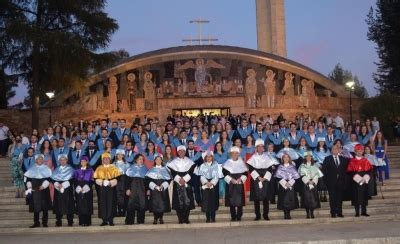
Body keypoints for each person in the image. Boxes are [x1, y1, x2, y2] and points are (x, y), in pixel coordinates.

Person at [246, 139, 275, 221]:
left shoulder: (267, 157)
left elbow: (270, 169)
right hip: (256, 179)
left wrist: (264, 178)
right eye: (259, 147)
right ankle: (257, 215)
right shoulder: (253, 157)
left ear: (264, 148)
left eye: (262, 147)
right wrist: (258, 177)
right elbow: (251, 169)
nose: (260, 148)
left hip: (265, 178)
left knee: (266, 198)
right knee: (256, 198)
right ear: (256, 148)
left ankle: (266, 215)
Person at [167, 145, 196, 224]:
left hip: (187, 182)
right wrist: (179, 179)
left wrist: (185, 179)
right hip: (177, 183)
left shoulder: (189, 161)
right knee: (178, 201)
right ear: (177, 152)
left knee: (187, 201)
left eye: (183, 151)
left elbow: (191, 171)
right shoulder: (174, 162)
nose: (181, 152)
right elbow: (172, 172)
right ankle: (180, 219)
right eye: (180, 151)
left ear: (185, 152)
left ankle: (186, 218)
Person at [24, 154, 52, 228]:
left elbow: (49, 179)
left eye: (41, 159)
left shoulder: (47, 168)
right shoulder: (32, 168)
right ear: (36, 160)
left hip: (44, 189)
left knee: (44, 207)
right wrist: (29, 187)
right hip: (34, 189)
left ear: (43, 160)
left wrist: (43, 186)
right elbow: (28, 179)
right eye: (38, 159)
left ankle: (45, 222)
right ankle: (36, 222)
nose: (40, 160)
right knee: (35, 206)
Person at [93, 152, 121, 226]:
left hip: (111, 188)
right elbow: (95, 178)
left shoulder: (114, 168)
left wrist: (110, 182)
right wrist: (101, 182)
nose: (106, 160)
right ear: (102, 160)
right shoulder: (99, 168)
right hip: (102, 188)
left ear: (110, 160)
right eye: (104, 159)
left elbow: (118, 177)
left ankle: (110, 219)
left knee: (111, 203)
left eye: (107, 159)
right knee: (102, 203)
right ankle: (104, 220)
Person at [347, 144, 373, 217]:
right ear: (355, 152)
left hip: (364, 180)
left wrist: (366, 176)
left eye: (361, 151)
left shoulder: (365, 160)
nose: (359, 152)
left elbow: (369, 170)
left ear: (362, 152)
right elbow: (349, 171)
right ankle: (357, 212)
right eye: (358, 151)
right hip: (355, 181)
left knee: (364, 196)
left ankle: (364, 211)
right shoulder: (352, 161)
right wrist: (357, 177)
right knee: (356, 196)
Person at [222, 146, 248, 222]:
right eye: (233, 153)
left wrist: (241, 179)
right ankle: (233, 216)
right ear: (231, 154)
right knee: (231, 200)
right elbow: (224, 173)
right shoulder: (227, 162)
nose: (235, 155)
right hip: (231, 183)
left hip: (239, 182)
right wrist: (231, 179)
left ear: (238, 154)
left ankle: (239, 215)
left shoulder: (241, 162)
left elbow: (245, 173)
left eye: (236, 153)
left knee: (240, 200)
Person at [322, 145, 348, 218]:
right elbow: (324, 171)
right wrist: (326, 182)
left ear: (339, 150)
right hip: (331, 182)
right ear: (331, 150)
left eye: (337, 149)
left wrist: (345, 182)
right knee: (332, 198)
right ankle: (333, 212)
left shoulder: (343, 159)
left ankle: (339, 212)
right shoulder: (327, 159)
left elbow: (345, 172)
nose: (335, 150)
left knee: (340, 198)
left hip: (341, 182)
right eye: (333, 149)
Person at [146, 155, 171, 224]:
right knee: (154, 204)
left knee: (162, 204)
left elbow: (169, 180)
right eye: (157, 159)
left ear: (162, 161)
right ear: (155, 161)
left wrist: (163, 186)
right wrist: (155, 186)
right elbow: (148, 180)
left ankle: (161, 218)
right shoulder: (151, 170)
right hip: (154, 189)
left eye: (159, 159)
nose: (158, 161)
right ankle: (155, 218)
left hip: (163, 188)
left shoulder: (165, 169)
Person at [50, 154, 75, 227]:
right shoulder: (56, 169)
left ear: (67, 160)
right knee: (58, 204)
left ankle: (70, 221)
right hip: (58, 188)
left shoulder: (71, 169)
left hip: (67, 188)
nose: (63, 161)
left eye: (64, 160)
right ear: (59, 161)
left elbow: (73, 179)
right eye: (61, 160)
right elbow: (52, 179)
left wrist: (64, 184)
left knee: (69, 204)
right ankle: (58, 220)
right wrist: (57, 184)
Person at [298, 152, 324, 219]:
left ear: (311, 157)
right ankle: (307, 213)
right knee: (306, 199)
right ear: (305, 157)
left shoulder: (315, 165)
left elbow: (317, 175)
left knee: (313, 199)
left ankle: (312, 213)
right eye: (307, 156)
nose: (308, 158)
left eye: (310, 156)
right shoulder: (302, 165)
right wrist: (308, 182)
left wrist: (313, 182)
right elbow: (302, 175)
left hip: (313, 184)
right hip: (305, 185)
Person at [197, 151, 220, 223]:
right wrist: (207, 183)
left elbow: (217, 175)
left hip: (214, 185)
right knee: (206, 201)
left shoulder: (216, 165)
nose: (209, 158)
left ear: (212, 157)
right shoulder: (202, 165)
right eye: (207, 156)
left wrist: (212, 183)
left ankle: (213, 217)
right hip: (205, 185)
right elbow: (201, 176)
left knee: (213, 201)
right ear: (205, 158)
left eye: (210, 156)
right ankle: (207, 217)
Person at [274, 153, 300, 220]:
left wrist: (290, 183)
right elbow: (277, 177)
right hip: (283, 185)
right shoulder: (280, 167)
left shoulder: (292, 166)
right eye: (284, 157)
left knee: (290, 199)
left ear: (289, 158)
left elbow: (296, 177)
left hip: (291, 184)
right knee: (283, 199)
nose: (286, 158)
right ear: (282, 159)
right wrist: (284, 183)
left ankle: (288, 213)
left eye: (287, 157)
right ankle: (285, 213)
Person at [125, 154, 148, 225]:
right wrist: (128, 189)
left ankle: (140, 221)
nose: (141, 160)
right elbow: (127, 180)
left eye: (142, 159)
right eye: (139, 159)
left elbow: (147, 181)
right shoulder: (130, 168)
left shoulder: (145, 169)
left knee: (142, 204)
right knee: (131, 204)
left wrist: (148, 189)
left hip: (142, 189)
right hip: (133, 188)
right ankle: (129, 221)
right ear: (136, 160)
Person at [73, 156, 94, 227]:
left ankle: (88, 222)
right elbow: (75, 180)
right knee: (80, 205)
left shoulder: (90, 170)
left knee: (87, 205)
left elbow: (92, 180)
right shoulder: (76, 170)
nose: (83, 162)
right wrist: (78, 187)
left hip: (87, 189)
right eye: (82, 161)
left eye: (84, 161)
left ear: (87, 162)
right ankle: (81, 221)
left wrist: (87, 187)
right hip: (79, 189)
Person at [114, 149, 130, 217]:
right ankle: (118, 210)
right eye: (118, 154)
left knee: (124, 196)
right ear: (116, 155)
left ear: (123, 156)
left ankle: (124, 210)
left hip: (124, 181)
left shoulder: (127, 164)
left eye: (121, 155)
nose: (120, 156)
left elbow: (129, 175)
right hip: (116, 181)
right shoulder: (113, 164)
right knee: (117, 196)